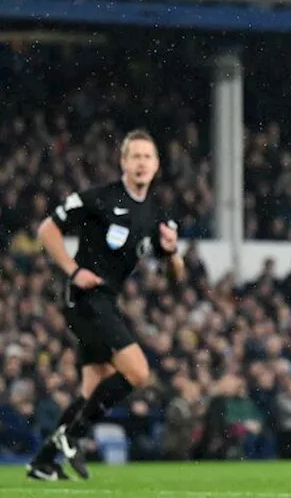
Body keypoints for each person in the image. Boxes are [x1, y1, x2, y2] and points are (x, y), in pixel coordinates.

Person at [26, 130, 183, 481]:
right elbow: (46, 229)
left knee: (92, 391)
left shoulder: (155, 215)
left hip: (106, 300)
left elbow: (175, 277)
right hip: (83, 296)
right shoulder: (100, 198)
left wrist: (172, 252)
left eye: (148, 157)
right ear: (123, 162)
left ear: (157, 166)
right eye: (135, 156)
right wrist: (73, 269)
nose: (141, 163)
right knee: (138, 372)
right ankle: (73, 436)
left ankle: (44, 462)